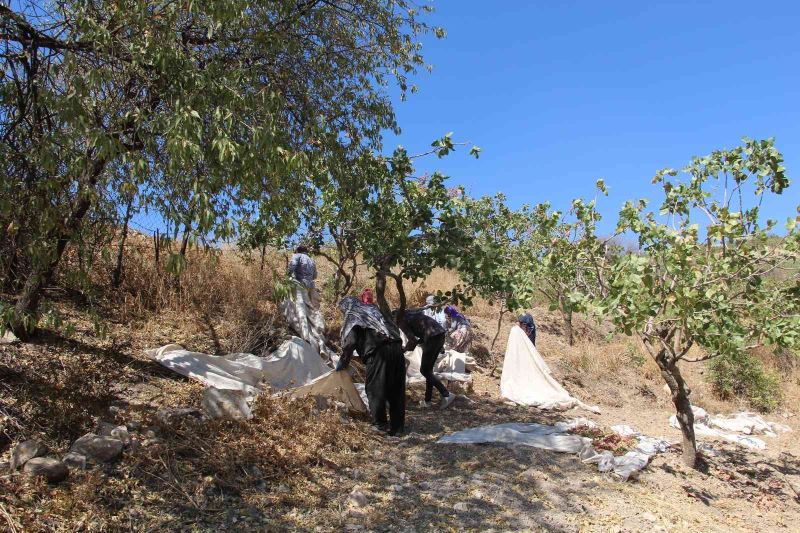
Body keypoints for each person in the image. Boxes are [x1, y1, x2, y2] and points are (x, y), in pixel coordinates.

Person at [336, 297, 406, 435]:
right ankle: (398, 428)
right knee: (396, 390)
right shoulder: (373, 310)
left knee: (375, 389)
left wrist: (342, 363)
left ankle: (380, 425)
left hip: (378, 353)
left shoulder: (354, 316)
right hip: (397, 350)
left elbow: (350, 343)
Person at [394, 309, 455, 409]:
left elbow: (412, 340)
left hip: (432, 337)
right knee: (428, 371)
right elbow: (420, 331)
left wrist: (404, 350)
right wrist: (418, 342)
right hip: (439, 335)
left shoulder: (402, 320)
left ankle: (446, 394)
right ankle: (428, 400)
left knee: (424, 370)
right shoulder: (411, 315)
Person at [281, 245, 330, 358]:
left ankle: (306, 336)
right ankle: (319, 333)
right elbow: (315, 275)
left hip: (300, 284)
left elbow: (292, 266)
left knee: (301, 310)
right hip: (310, 286)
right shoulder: (311, 260)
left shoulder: (297, 256)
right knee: (311, 311)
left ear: (297, 250)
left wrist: (288, 276)